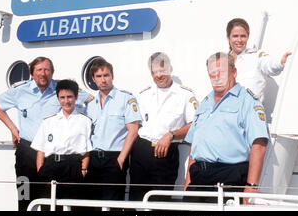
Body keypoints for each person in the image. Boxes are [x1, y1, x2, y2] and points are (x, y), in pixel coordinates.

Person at [0, 57, 93, 211]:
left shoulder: (62, 89)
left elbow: (92, 100)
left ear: (52, 72)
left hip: (49, 156)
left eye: (47, 70)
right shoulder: (19, 91)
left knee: (49, 199)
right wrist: (13, 128)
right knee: (24, 194)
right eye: (39, 70)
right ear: (32, 73)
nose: (43, 74)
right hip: (26, 151)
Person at [183, 52, 269, 204]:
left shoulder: (248, 102)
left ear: (234, 72)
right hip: (198, 181)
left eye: (221, 72)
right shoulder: (205, 103)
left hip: (228, 181)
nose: (217, 77)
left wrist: (251, 187)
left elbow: (259, 145)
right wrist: (187, 185)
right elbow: (195, 148)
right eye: (212, 74)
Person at [129, 52, 198, 201]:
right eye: (155, 72)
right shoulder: (143, 95)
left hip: (166, 153)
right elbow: (135, 126)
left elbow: (194, 125)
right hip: (141, 151)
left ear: (170, 69)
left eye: (162, 71)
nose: (159, 75)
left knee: (160, 202)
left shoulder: (185, 95)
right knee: (136, 200)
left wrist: (171, 135)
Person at [84, 57, 142, 201]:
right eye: (99, 76)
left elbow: (133, 131)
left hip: (114, 158)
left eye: (106, 75)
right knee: (92, 203)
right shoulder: (90, 105)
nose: (103, 80)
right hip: (93, 159)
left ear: (112, 76)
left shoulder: (126, 99)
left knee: (113, 202)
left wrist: (120, 160)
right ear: (93, 79)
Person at [31, 79, 92, 202]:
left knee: (72, 205)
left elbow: (87, 151)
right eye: (62, 97)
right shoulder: (48, 122)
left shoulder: (85, 121)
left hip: (73, 167)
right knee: (48, 205)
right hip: (50, 166)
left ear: (76, 97)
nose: (66, 101)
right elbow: (41, 150)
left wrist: (83, 170)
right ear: (58, 98)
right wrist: (40, 169)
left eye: (69, 97)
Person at [226, 18, 291, 104]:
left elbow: (270, 64)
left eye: (243, 36)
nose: (239, 40)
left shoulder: (257, 56)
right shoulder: (222, 62)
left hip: (251, 114)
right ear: (228, 37)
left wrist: (280, 63)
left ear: (248, 37)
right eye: (235, 36)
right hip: (227, 113)